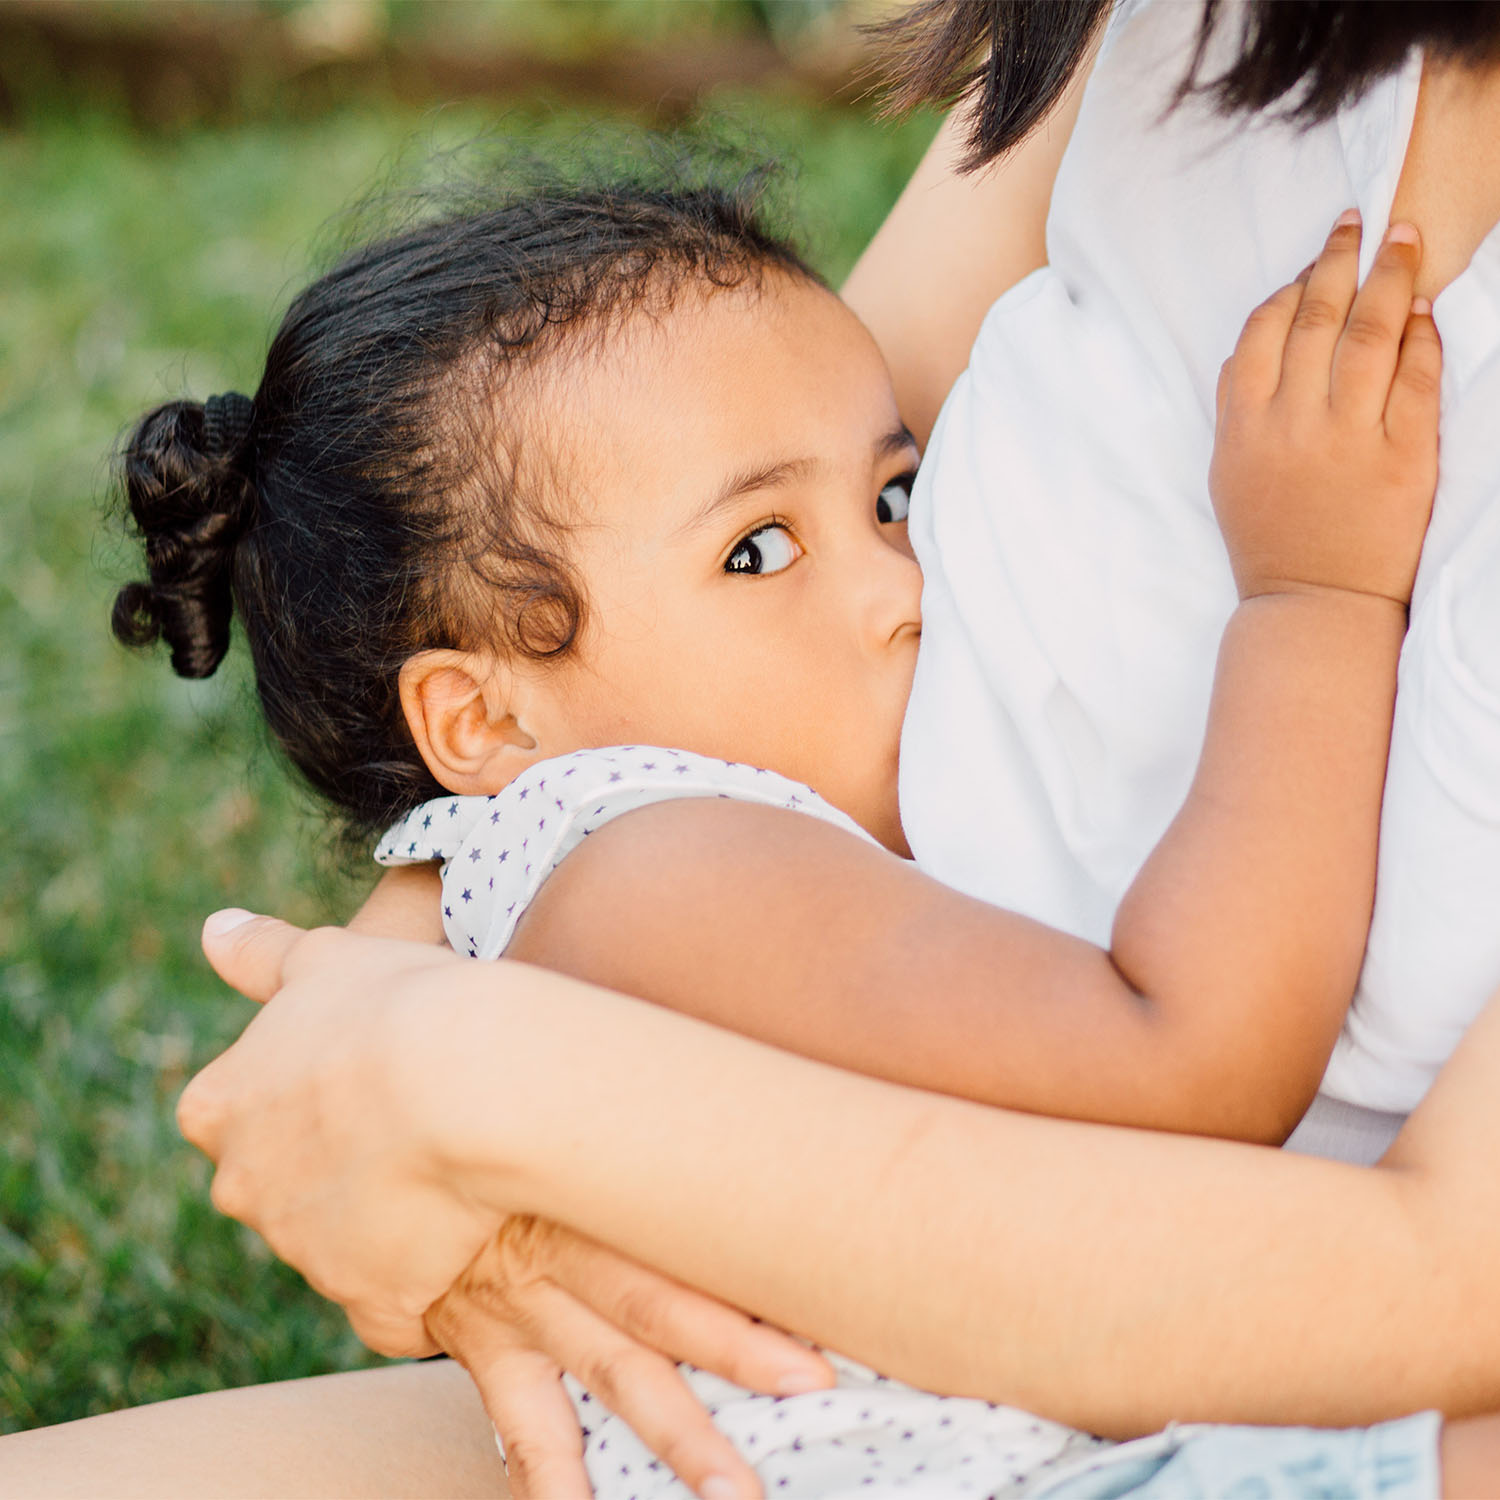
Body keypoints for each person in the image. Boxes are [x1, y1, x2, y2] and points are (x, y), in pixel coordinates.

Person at [7, 0, 1500, 1496]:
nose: (907, 588)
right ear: (483, 718)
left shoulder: (621, 831)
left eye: (894, 500)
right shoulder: (670, 857)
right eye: (760, 550)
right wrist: (1315, 598)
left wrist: (432, 1066)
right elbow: (1186, 1059)